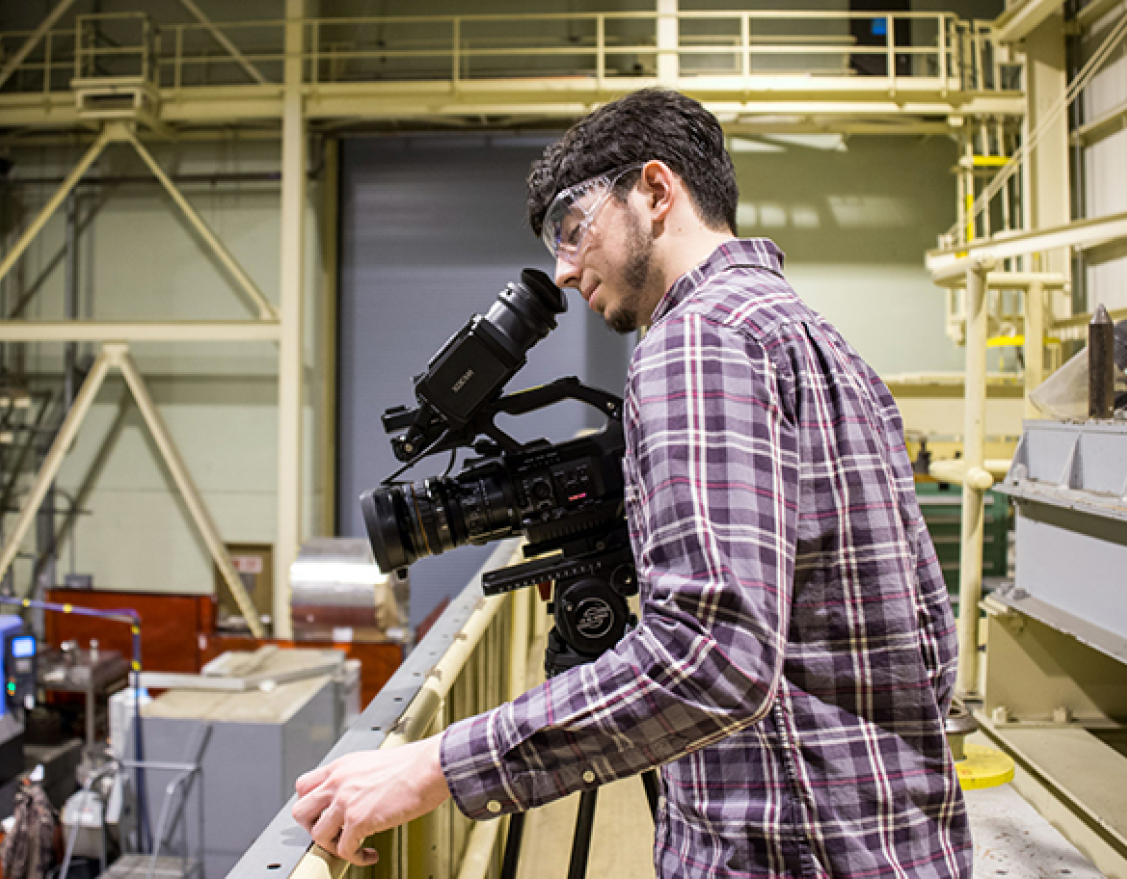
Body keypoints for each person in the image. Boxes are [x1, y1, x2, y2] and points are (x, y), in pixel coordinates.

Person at [293, 88, 971, 878]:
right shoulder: (819, 341)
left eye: (574, 229)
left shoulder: (695, 343)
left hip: (789, 852)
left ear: (655, 190)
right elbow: (931, 638)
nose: (565, 267)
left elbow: (710, 657)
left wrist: (436, 764)